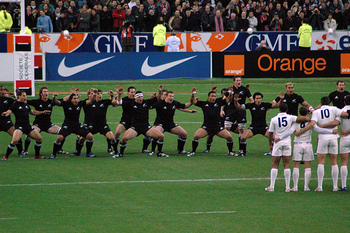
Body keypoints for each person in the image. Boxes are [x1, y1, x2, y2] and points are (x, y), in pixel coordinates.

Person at [275, 107, 336, 192]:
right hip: (308, 145)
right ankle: (306, 186)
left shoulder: (296, 122)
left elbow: (289, 132)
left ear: (299, 113)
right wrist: (331, 132)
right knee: (308, 167)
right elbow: (319, 130)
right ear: (307, 113)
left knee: (296, 166)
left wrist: (280, 138)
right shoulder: (310, 122)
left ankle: (295, 187)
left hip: (298, 145)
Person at [295, 96, 350, 191]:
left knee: (321, 162)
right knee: (334, 162)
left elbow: (312, 124)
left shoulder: (317, 112)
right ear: (329, 103)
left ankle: (320, 186)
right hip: (333, 138)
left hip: (322, 138)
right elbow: (345, 115)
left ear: (321, 104)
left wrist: (300, 132)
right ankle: (335, 186)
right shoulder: (334, 109)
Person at [265, 103, 308, 192]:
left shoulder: (274, 119)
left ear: (279, 110)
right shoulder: (290, 117)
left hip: (277, 143)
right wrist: (309, 117)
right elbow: (302, 118)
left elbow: (270, 133)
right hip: (287, 143)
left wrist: (270, 144)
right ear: (287, 110)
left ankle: (272, 186)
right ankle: (287, 187)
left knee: (275, 164)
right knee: (287, 164)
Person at [72, 88, 123, 158]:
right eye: (98, 94)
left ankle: (116, 152)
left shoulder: (105, 102)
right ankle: (81, 152)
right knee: (82, 138)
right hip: (92, 125)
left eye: (100, 93)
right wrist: (76, 95)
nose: (100, 95)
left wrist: (118, 95)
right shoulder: (90, 103)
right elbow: (82, 102)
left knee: (112, 137)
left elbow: (115, 103)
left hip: (102, 125)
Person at [1, 90, 50, 161]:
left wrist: (43, 112)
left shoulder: (26, 105)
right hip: (19, 127)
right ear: (19, 96)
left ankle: (37, 155)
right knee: (14, 140)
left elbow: (32, 112)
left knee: (39, 139)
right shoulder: (15, 105)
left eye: (25, 95)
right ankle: (6, 156)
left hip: (27, 127)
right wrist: (6, 113)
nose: (25, 97)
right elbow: (9, 111)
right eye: (23, 96)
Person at [118, 91, 169, 157]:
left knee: (161, 136)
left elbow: (157, 98)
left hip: (145, 127)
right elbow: (119, 103)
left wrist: (160, 91)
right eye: (139, 97)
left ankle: (159, 153)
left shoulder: (146, 102)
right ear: (135, 98)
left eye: (141, 96)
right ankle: (120, 153)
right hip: (135, 127)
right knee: (124, 138)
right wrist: (119, 94)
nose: (140, 98)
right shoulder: (131, 104)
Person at [187, 89, 236, 157]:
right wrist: (192, 94)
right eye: (212, 96)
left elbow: (228, 100)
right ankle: (193, 152)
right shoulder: (204, 104)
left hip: (217, 126)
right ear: (209, 97)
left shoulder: (218, 103)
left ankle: (230, 152)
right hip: (207, 126)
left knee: (229, 137)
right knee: (196, 136)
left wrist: (230, 94)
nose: (214, 98)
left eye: (215, 96)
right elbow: (193, 101)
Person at [50, 90, 97, 159]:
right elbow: (56, 102)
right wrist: (54, 97)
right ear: (71, 100)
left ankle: (88, 153)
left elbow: (91, 101)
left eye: (77, 98)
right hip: (67, 126)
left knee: (90, 136)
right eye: (74, 98)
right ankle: (53, 154)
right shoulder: (66, 104)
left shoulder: (80, 104)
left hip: (76, 126)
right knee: (59, 138)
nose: (76, 100)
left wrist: (95, 94)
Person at [23, 86, 68, 157]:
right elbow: (25, 101)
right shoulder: (36, 102)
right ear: (41, 94)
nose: (46, 93)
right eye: (44, 92)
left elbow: (64, 99)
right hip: (38, 124)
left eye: (47, 91)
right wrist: (18, 97)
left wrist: (72, 94)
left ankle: (59, 149)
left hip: (48, 125)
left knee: (63, 131)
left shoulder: (51, 102)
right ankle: (25, 150)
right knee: (29, 133)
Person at [149, 90, 193, 155]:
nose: (171, 98)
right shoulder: (160, 103)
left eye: (172, 96)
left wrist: (192, 102)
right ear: (166, 96)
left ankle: (181, 150)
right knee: (157, 135)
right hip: (160, 124)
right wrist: (151, 99)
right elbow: (150, 107)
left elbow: (185, 106)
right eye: (170, 96)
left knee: (184, 134)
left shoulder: (174, 103)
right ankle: (154, 151)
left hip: (170, 124)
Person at [240, 92, 283, 157]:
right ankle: (243, 152)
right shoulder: (251, 105)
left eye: (260, 98)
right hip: (253, 127)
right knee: (242, 138)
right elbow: (239, 107)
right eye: (257, 98)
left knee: (274, 138)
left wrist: (281, 100)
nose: (258, 100)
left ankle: (273, 151)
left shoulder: (264, 105)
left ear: (261, 99)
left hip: (263, 127)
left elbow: (277, 105)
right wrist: (235, 101)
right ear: (254, 99)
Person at [231, 76, 254, 155]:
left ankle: (242, 148)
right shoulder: (231, 89)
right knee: (226, 127)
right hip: (232, 111)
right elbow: (225, 99)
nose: (239, 81)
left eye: (240, 80)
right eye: (237, 80)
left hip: (241, 111)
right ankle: (230, 148)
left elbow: (251, 99)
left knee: (241, 130)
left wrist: (251, 107)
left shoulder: (245, 89)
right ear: (234, 82)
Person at [0, 87, 24, 157]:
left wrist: (15, 96)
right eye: (2, 91)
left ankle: (20, 152)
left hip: (6, 122)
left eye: (5, 91)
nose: (3, 92)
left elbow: (18, 103)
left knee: (17, 137)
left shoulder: (9, 100)